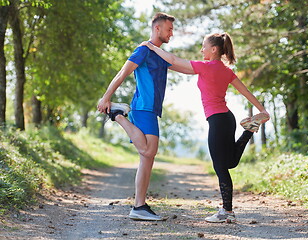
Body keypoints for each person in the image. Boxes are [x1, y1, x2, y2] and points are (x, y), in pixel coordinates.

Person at [141, 32, 270, 223]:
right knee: (229, 163)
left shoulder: (205, 67)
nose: (202, 50)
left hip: (218, 121)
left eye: (204, 46)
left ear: (214, 49)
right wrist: (262, 110)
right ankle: (249, 130)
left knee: (221, 166)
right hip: (227, 119)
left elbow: (175, 59)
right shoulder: (225, 70)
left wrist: (152, 47)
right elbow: (245, 91)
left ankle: (227, 212)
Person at [97, 12, 177, 221]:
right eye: (169, 29)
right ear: (157, 28)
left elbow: (184, 66)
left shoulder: (160, 54)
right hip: (143, 107)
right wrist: (107, 97)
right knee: (149, 150)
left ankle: (139, 206)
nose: (172, 34)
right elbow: (122, 72)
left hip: (151, 109)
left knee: (147, 158)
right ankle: (118, 116)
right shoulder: (143, 50)